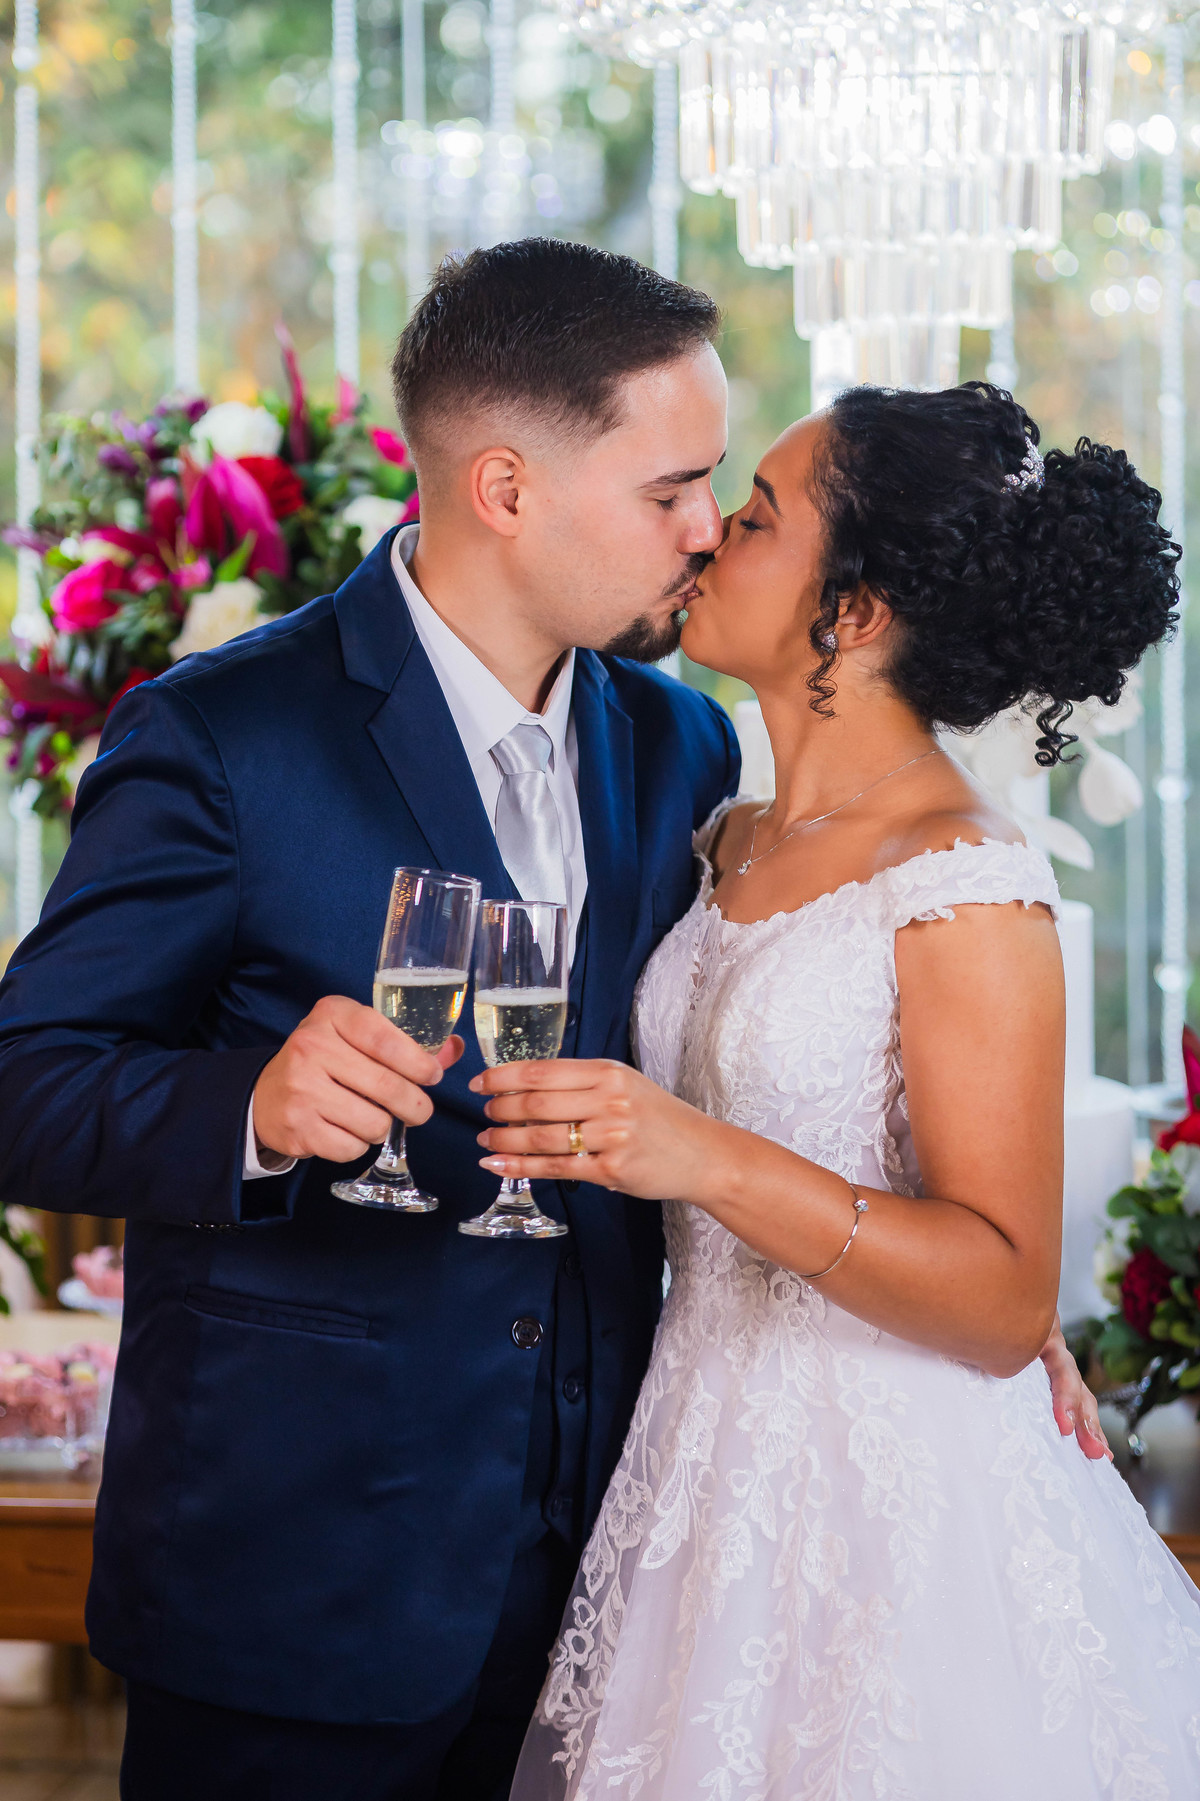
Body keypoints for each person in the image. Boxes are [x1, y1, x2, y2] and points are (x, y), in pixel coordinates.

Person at [0, 242, 1097, 1799]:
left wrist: (978, 1268)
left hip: (631, 1574)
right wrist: (250, 1106)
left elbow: (772, 1049)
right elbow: (26, 1080)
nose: (705, 529)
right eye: (671, 490)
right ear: (506, 488)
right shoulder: (222, 739)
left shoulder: (684, 752)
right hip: (298, 1583)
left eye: (722, 489)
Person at [479, 384, 1200, 1799]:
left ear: (856, 610)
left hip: (894, 1502)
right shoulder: (723, 834)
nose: (704, 537)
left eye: (751, 518)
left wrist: (706, 1158)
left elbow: (1002, 1302)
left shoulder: (963, 877)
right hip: (698, 1459)